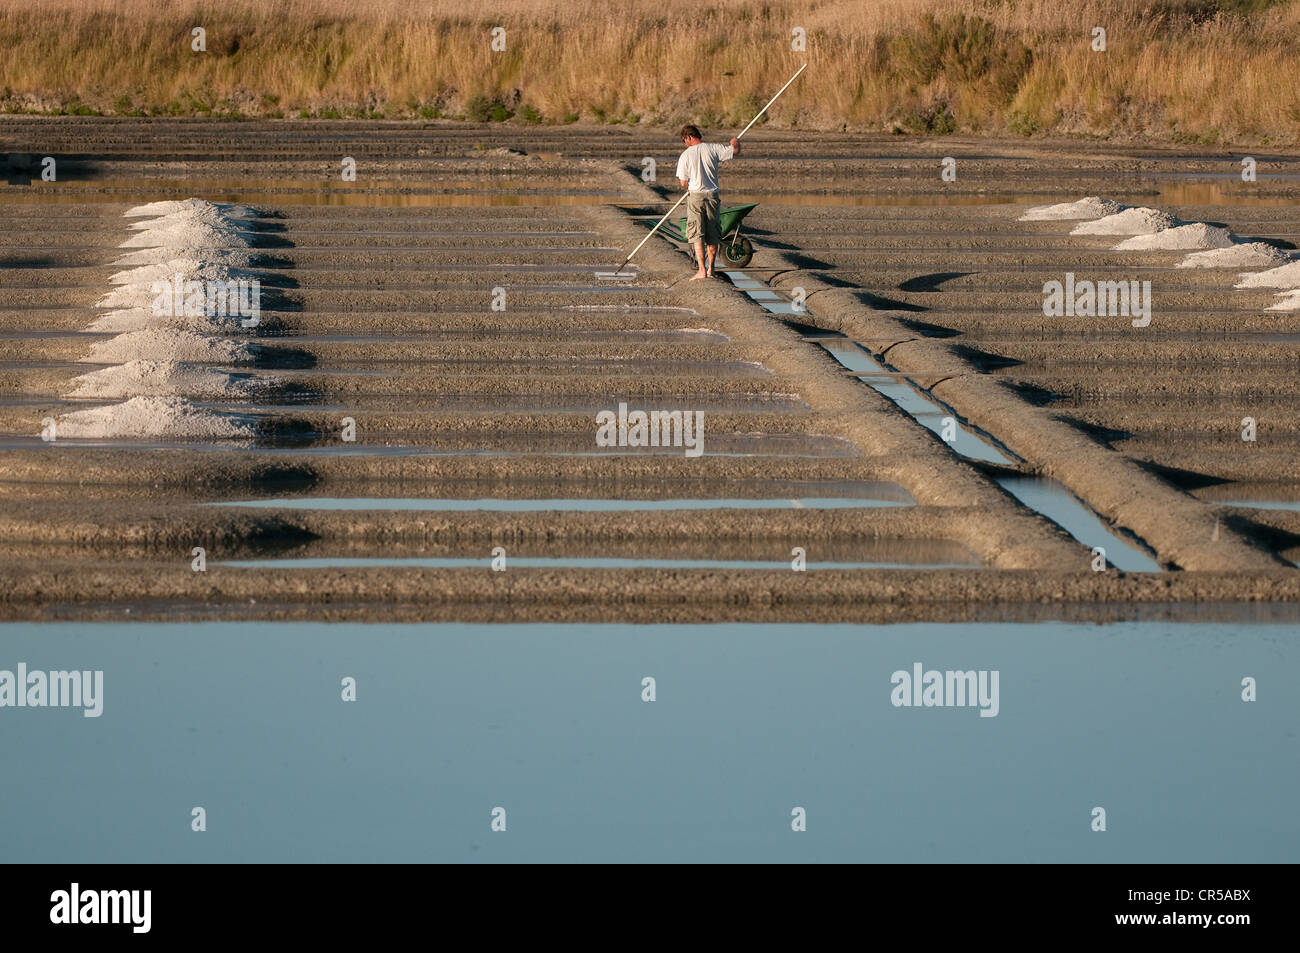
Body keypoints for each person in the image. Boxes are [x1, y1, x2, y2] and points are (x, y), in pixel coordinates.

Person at [675, 125, 740, 280]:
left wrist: (688, 188)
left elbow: (683, 183)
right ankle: (711, 269)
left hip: (696, 196)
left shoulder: (685, 155)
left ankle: (702, 270)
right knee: (713, 232)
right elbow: (734, 151)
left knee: (697, 233)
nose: (685, 143)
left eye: (685, 140)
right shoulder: (713, 148)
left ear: (689, 137)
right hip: (712, 196)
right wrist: (735, 142)